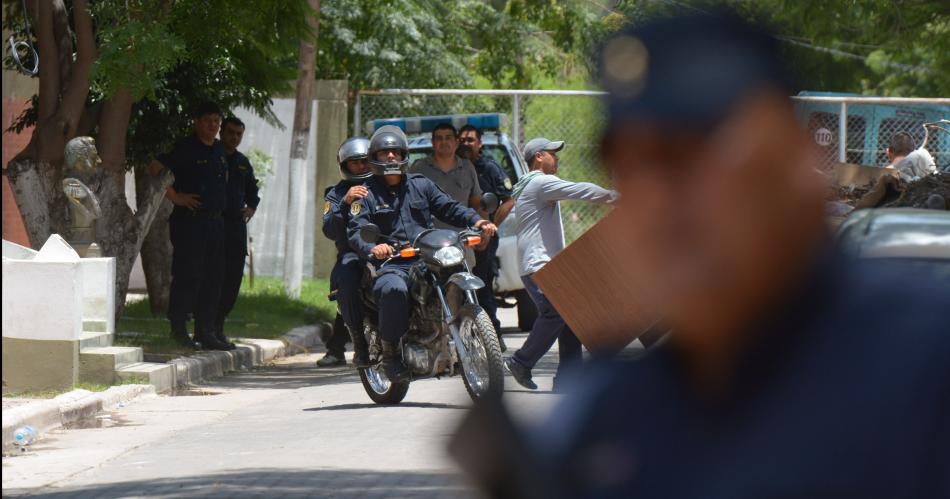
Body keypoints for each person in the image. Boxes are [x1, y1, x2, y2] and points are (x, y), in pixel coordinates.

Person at [458, 13, 949, 498]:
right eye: (632, 166)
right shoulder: (607, 421)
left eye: (691, 156)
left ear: (792, 161)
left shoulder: (923, 362)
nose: (660, 200)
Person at [347, 125, 497, 382]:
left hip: (427, 257)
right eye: (385, 153)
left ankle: (466, 334)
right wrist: (373, 247)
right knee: (393, 289)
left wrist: (478, 221)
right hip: (392, 263)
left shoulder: (420, 184)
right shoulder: (366, 193)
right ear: (375, 157)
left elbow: (449, 207)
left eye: (395, 152)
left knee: (456, 269)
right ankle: (392, 355)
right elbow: (357, 229)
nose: (391, 157)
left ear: (404, 154)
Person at [504, 137, 617, 391]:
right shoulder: (541, 182)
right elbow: (580, 189)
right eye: (553, 153)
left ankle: (568, 379)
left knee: (570, 316)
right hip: (539, 265)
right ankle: (521, 361)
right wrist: (613, 196)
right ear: (539, 157)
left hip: (539, 264)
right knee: (555, 312)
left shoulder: (528, 186)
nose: (558, 158)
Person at [147, 102, 231, 351]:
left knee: (213, 278)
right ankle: (179, 328)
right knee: (188, 276)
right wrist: (175, 196)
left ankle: (206, 331)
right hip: (190, 221)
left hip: (216, 222)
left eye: (216, 121)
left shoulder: (218, 149)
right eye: (208, 120)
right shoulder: (185, 147)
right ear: (196, 121)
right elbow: (155, 167)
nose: (213, 125)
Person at [318, 136, 373, 368]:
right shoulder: (335, 193)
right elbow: (329, 229)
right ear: (344, 165)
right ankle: (355, 346)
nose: (360, 167)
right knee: (347, 285)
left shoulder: (385, 184)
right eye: (354, 163)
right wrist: (345, 202)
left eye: (364, 161)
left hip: (389, 250)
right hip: (353, 254)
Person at [459, 124, 514, 350]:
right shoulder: (454, 168)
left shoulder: (489, 168)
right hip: (455, 236)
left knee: (482, 286)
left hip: (483, 236)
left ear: (479, 143)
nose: (466, 143)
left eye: (470, 140)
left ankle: (493, 336)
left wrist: (491, 227)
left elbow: (509, 200)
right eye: (462, 140)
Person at [207, 116, 260, 349]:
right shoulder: (212, 154)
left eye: (239, 134)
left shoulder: (242, 162)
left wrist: (251, 207)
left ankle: (218, 326)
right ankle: (205, 328)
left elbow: (252, 192)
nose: (234, 138)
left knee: (231, 281)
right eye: (230, 132)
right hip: (212, 225)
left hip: (235, 229)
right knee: (211, 279)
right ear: (222, 132)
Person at [410, 123, 485, 230]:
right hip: (428, 238)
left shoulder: (467, 167)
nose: (444, 142)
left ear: (456, 142)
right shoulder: (419, 168)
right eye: (439, 138)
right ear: (433, 143)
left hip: (462, 238)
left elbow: (477, 204)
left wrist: (482, 229)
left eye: (448, 138)